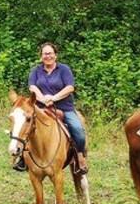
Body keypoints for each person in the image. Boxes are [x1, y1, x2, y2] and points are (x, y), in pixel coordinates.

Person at [16, 42, 88, 174]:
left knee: (77, 130)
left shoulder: (64, 69)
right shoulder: (36, 70)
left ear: (55, 55)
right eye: (45, 54)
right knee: (25, 126)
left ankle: (80, 158)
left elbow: (70, 87)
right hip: (41, 106)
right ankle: (21, 158)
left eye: (50, 53)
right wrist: (42, 98)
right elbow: (32, 86)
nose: (47, 56)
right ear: (41, 56)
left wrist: (54, 98)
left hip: (64, 106)